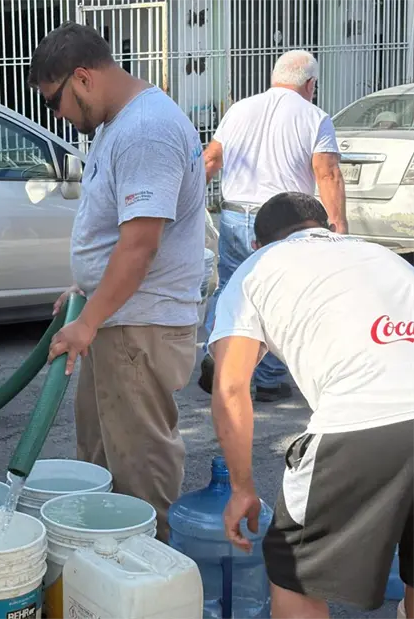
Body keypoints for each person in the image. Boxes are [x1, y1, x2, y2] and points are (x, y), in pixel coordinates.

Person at [31, 22, 206, 541]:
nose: (57, 115)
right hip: (118, 319)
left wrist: (89, 322)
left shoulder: (145, 130)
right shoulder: (119, 123)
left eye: (55, 101)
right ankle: (108, 583)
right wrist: (85, 292)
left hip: (139, 327)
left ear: (82, 78)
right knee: (102, 465)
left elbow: (140, 245)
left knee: (139, 478)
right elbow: (114, 233)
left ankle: (150, 581)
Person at [208, 191, 414, 619]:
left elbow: (230, 388)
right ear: (330, 228)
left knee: (294, 575)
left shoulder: (258, 268)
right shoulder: (385, 257)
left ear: (257, 244)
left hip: (361, 422)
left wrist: (242, 489)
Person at [199, 49, 347, 402]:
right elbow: (326, 172)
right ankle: (267, 378)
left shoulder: (239, 110)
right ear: (310, 84)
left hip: (235, 214)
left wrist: (188, 203)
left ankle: (221, 364)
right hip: (286, 221)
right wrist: (338, 225)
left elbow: (211, 159)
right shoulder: (315, 117)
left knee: (232, 290)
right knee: (282, 293)